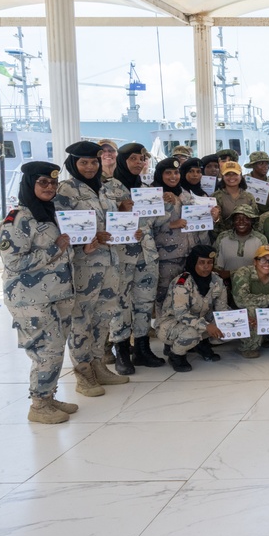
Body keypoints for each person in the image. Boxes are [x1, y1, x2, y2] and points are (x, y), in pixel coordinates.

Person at [0, 162, 83, 421]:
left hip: (57, 295)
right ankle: (38, 406)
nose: (50, 187)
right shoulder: (19, 218)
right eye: (43, 182)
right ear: (30, 184)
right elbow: (13, 261)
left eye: (53, 183)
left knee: (55, 349)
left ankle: (48, 396)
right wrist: (54, 249)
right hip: (31, 299)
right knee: (45, 351)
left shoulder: (50, 212)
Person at [54, 141, 128, 390]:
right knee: (82, 320)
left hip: (109, 262)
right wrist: (82, 246)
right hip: (84, 266)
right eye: (83, 162)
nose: (89, 167)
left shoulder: (104, 189)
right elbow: (60, 230)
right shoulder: (65, 190)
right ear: (73, 164)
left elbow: (110, 222)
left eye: (94, 162)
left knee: (104, 317)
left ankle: (98, 365)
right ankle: (83, 373)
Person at [101, 142, 163, 375]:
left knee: (144, 303)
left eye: (142, 159)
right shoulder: (107, 188)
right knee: (121, 305)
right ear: (122, 161)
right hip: (121, 257)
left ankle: (142, 349)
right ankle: (122, 353)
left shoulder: (146, 189)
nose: (139, 163)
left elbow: (154, 222)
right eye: (133, 159)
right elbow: (100, 221)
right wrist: (119, 209)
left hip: (146, 255)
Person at [151, 158, 215, 305]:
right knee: (164, 296)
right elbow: (144, 226)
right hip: (167, 257)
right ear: (160, 174)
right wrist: (170, 224)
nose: (173, 176)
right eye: (168, 173)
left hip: (189, 255)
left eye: (176, 172)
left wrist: (212, 217)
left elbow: (197, 221)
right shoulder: (153, 195)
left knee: (186, 297)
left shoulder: (186, 194)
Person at [155, 244, 228, 372]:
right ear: (194, 262)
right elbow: (181, 315)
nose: (206, 267)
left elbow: (222, 309)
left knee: (229, 324)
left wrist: (241, 320)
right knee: (191, 333)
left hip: (199, 319)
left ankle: (201, 344)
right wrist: (206, 326)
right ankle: (176, 354)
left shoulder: (217, 281)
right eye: (201, 263)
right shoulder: (182, 283)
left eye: (210, 263)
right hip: (172, 324)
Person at [232, 245, 269, 358]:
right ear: (255, 261)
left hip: (268, 314)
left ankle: (266, 337)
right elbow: (240, 300)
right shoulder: (244, 273)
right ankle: (249, 346)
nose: (267, 263)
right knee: (253, 309)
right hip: (247, 312)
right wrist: (268, 299)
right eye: (263, 259)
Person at [213, 204, 268, 276]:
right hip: (226, 283)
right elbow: (217, 269)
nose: (241, 221)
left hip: (253, 283)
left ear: (252, 221)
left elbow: (264, 268)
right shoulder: (222, 237)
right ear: (233, 221)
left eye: (246, 218)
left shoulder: (261, 239)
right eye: (237, 218)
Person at [213, 161, 257, 234]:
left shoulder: (249, 197)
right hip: (223, 238)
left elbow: (255, 221)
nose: (231, 177)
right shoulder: (215, 197)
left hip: (247, 237)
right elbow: (214, 225)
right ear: (222, 176)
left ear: (240, 176)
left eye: (235, 174)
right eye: (227, 174)